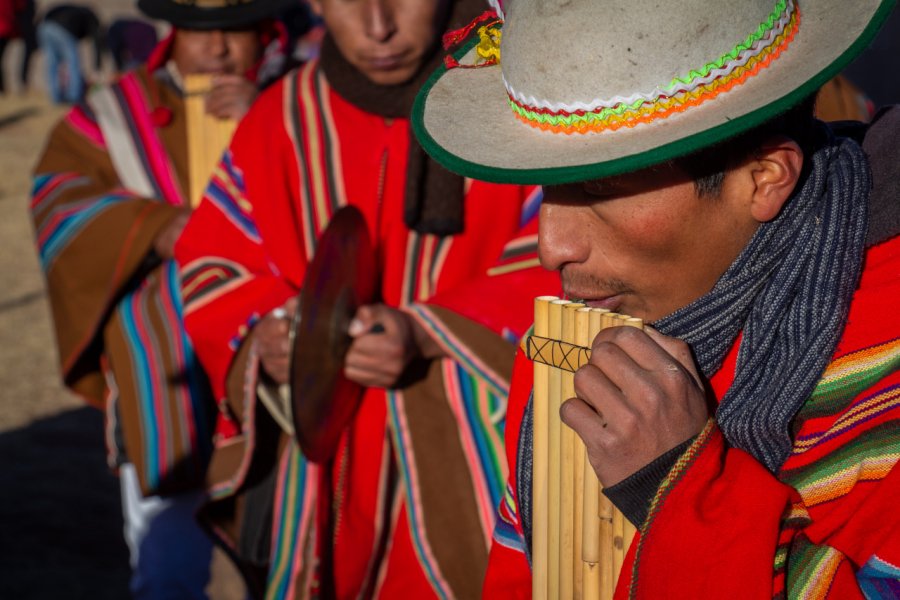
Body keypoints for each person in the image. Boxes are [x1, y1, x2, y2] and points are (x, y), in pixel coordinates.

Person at [413, 0, 900, 597]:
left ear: (764, 176)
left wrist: (681, 488)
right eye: (547, 188)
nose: (551, 247)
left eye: (601, 187)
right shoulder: (581, 343)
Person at [173, 0, 558, 597]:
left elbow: (568, 255)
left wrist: (428, 331)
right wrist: (267, 334)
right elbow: (216, 262)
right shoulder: (281, 117)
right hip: (318, 466)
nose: (378, 27)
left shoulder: (512, 110)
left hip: (472, 447)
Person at [30, 0, 290, 597]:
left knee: (284, 531)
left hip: (273, 357)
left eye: (235, 32)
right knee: (167, 541)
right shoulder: (112, 112)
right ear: (173, 34)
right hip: (160, 363)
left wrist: (269, 123)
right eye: (202, 33)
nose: (219, 50)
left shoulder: (296, 100)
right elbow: (58, 200)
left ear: (263, 34)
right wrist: (154, 226)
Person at [36, 3, 103, 104]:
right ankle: (74, 97)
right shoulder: (92, 19)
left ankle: (55, 98)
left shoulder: (77, 12)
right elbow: (97, 43)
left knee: (52, 64)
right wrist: (97, 67)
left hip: (44, 27)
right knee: (73, 62)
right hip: (62, 28)